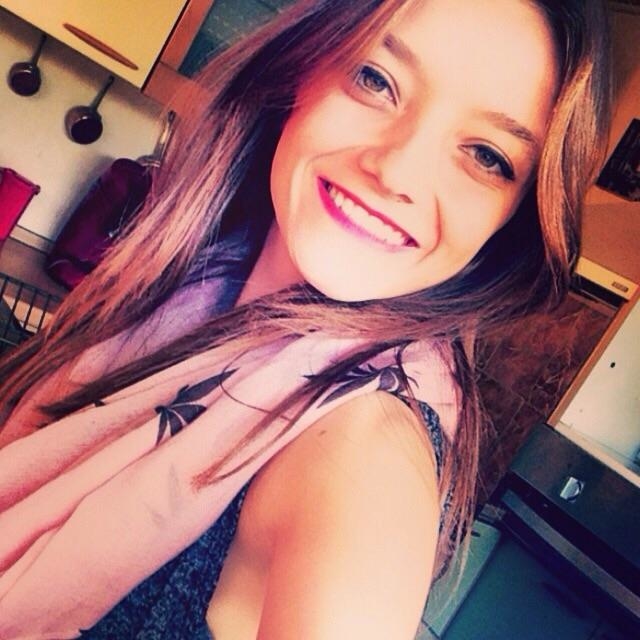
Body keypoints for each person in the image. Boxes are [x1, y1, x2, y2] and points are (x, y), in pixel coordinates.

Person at [0, 0, 611, 638]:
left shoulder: (365, 459)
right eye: (376, 79)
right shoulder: (186, 282)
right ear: (303, 68)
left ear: (512, 219)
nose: (396, 171)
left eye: (485, 155)